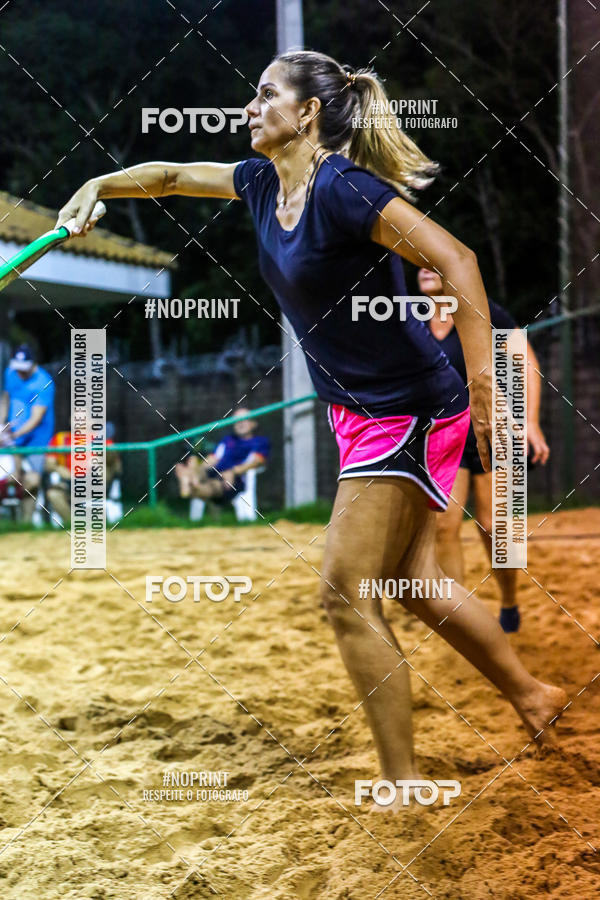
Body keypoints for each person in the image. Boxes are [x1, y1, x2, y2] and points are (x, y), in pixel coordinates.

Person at [56, 50, 566, 794]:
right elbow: (166, 176)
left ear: (309, 113)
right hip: (361, 412)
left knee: (343, 591)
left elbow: (457, 258)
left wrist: (487, 379)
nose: (249, 107)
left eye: (265, 95)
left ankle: (398, 784)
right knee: (414, 583)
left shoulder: (346, 190)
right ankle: (534, 695)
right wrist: (95, 183)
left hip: (409, 409)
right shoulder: (262, 182)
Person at [419, 268, 550, 633]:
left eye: (434, 262)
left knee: (495, 528)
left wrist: (531, 422)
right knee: (444, 527)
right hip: (444, 435)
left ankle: (509, 601)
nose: (425, 268)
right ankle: (459, 619)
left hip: (495, 432)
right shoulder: (411, 317)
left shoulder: (482, 310)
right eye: (420, 263)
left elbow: (525, 360)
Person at [0, 345, 55, 522]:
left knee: (32, 481)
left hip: (36, 442)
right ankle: (13, 521)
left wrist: (13, 435)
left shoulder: (44, 382)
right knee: (10, 478)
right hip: (11, 442)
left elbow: (36, 418)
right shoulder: (10, 373)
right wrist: (2, 425)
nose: (20, 374)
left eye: (24, 370)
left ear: (33, 363)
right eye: (18, 369)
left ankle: (26, 522)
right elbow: (6, 400)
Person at [175, 407, 269, 505]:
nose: (241, 423)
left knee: (212, 485)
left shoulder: (259, 442)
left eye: (245, 419)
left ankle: (189, 483)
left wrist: (233, 471)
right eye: (237, 420)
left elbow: (257, 462)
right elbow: (213, 459)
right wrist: (197, 469)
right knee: (192, 460)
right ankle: (192, 479)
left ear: (253, 423)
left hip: (234, 481)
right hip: (214, 473)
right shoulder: (227, 440)